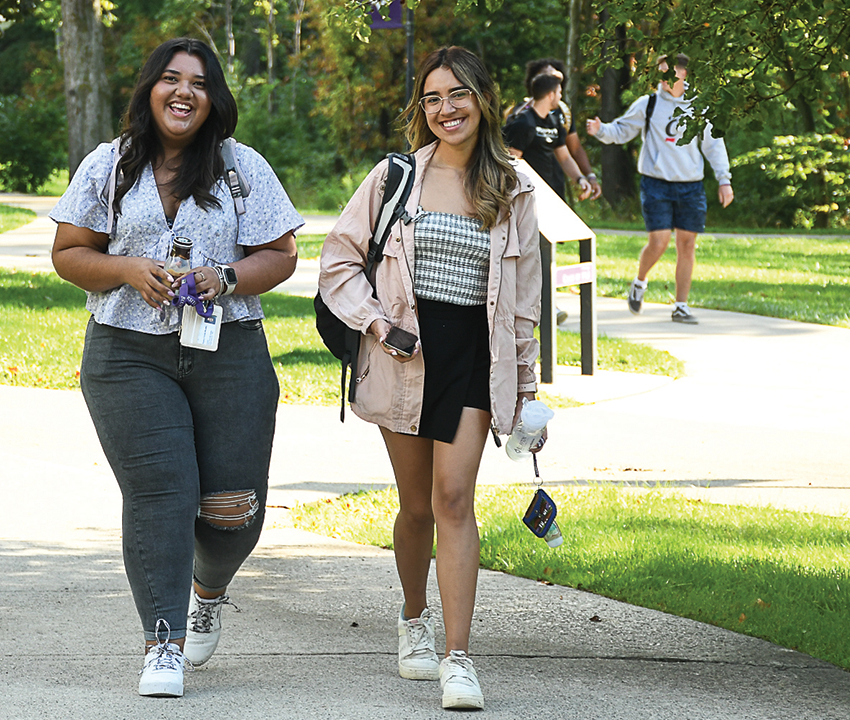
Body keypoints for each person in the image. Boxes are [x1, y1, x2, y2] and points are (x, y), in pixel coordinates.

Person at [49, 37, 302, 698]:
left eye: (197, 82)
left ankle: (207, 588)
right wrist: (129, 270)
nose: (182, 91)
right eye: (170, 79)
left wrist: (224, 277)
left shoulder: (241, 168)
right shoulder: (109, 165)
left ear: (214, 97)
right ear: (150, 90)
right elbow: (69, 253)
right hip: (127, 353)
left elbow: (280, 255)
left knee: (232, 512)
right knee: (162, 494)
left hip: (230, 353)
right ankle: (163, 641)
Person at [318, 46, 543, 711]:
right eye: (433, 99)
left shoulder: (514, 186)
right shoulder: (396, 178)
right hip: (403, 357)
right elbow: (337, 261)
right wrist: (378, 324)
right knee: (416, 507)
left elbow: (524, 298)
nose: (446, 109)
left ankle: (459, 657)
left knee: (454, 500)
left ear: (483, 99)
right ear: (422, 109)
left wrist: (527, 394)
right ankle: (413, 618)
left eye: (458, 95)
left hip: (475, 362)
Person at [587, 53, 735, 324]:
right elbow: (621, 130)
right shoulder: (649, 104)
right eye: (662, 73)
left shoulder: (699, 108)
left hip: (690, 185)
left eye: (671, 73)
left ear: (684, 74)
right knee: (659, 241)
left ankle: (681, 306)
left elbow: (714, 145)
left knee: (687, 244)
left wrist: (724, 180)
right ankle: (640, 282)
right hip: (656, 184)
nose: (666, 79)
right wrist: (600, 130)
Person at [511, 58, 602, 199]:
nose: (561, 96)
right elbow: (512, 161)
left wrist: (581, 178)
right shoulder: (522, 121)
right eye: (558, 92)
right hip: (528, 193)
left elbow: (566, 156)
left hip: (554, 187)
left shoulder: (556, 120)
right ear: (550, 94)